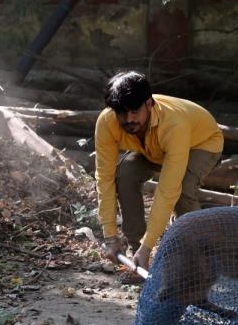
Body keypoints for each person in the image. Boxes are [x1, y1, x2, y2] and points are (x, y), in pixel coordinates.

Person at [95, 71, 223, 278]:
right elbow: (104, 177)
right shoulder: (107, 122)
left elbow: (167, 190)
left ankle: (198, 260)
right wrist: (110, 237)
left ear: (149, 104)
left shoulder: (174, 124)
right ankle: (136, 254)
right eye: (121, 113)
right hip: (153, 149)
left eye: (134, 111)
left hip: (201, 143)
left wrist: (149, 244)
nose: (128, 120)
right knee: (125, 174)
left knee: (182, 191)